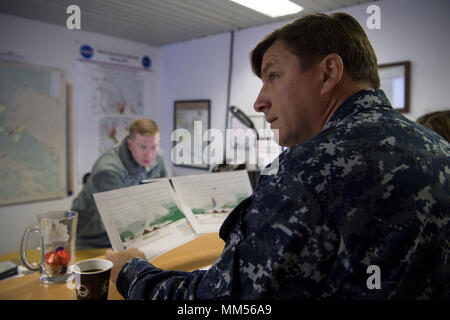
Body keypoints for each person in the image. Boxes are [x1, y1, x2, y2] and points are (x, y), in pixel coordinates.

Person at [105, 13, 449, 299]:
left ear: (328, 73)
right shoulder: (439, 149)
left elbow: (222, 303)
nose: (259, 101)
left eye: (273, 76)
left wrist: (131, 271)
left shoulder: (303, 170)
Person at [72, 118, 172, 249]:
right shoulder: (108, 170)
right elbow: (120, 219)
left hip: (129, 233)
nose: (149, 154)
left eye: (154, 146)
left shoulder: (156, 157)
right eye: (143, 147)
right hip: (92, 239)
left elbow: (169, 191)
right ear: (130, 144)